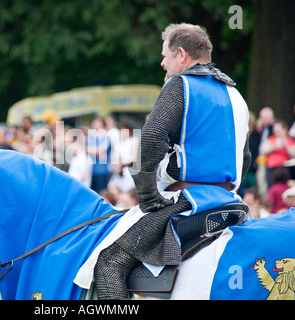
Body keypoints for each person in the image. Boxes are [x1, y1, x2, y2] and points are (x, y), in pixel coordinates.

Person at [93, 23, 251, 299]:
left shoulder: (181, 85)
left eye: (165, 55)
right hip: (232, 204)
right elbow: (245, 159)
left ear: (181, 54)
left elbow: (152, 138)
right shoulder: (237, 96)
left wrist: (148, 197)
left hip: (191, 204)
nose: (162, 63)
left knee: (109, 263)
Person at [260, 120, 295, 187]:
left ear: (285, 130)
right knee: (271, 186)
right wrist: (273, 147)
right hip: (271, 167)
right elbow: (263, 150)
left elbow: (294, 153)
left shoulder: (289, 140)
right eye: (275, 132)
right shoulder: (271, 139)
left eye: (278, 131)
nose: (277, 134)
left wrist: (285, 145)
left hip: (283, 168)